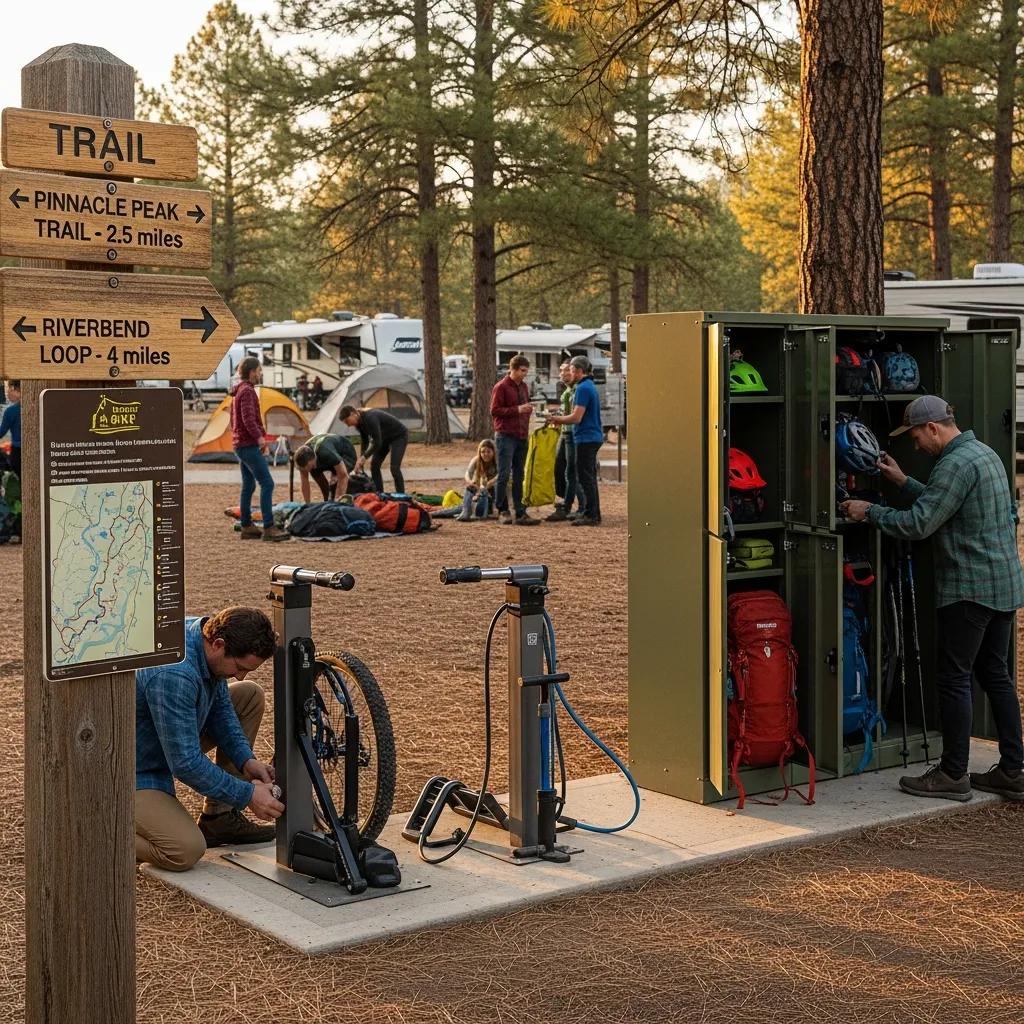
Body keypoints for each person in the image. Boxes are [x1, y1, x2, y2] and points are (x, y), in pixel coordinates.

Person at [840, 394, 1024, 803]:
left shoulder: (954, 463)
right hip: (1002, 585)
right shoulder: (983, 454)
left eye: (916, 436)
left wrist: (867, 511)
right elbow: (946, 504)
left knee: (954, 679)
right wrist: (903, 481)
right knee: (996, 675)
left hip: (969, 589)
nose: (915, 445)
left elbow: (921, 522)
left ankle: (953, 774)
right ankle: (1014, 770)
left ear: (933, 428)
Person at [135, 607, 285, 871]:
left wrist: (246, 760)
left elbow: (222, 708)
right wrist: (247, 794)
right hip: (133, 767)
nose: (240, 675)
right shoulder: (175, 674)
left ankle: (220, 818)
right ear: (218, 644)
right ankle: (94, 829)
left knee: (249, 695)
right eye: (239, 667)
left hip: (161, 739)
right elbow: (185, 763)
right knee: (184, 850)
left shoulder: (201, 636)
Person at [230, 358, 290, 542]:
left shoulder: (239, 390)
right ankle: (269, 527)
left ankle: (247, 526)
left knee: (249, 485)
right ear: (252, 371)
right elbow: (248, 419)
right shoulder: (247, 391)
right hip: (248, 444)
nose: (261, 373)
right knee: (267, 483)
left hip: (240, 444)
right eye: (259, 370)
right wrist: (260, 438)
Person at [546, 355, 602, 526]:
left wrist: (556, 419)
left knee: (585, 477)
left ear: (578, 371)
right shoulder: (588, 386)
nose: (568, 373)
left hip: (586, 437)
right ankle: (591, 512)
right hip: (590, 436)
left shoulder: (583, 389)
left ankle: (591, 515)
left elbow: (577, 417)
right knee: (588, 476)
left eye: (571, 370)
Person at [490, 353, 539, 525]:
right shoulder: (501, 387)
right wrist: (517, 410)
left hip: (521, 435)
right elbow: (495, 410)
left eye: (526, 371)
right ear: (514, 369)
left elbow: (522, 407)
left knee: (520, 474)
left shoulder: (524, 387)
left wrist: (527, 410)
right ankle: (502, 509)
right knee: (504, 474)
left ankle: (520, 511)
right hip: (505, 435)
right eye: (522, 371)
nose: (525, 374)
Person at [340, 405, 409, 493]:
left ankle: (401, 495)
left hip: (399, 436)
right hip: (384, 438)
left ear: (353, 414)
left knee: (394, 468)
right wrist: (361, 459)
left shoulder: (370, 417)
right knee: (374, 466)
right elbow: (365, 441)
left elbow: (377, 442)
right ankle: (379, 493)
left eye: (347, 421)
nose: (348, 425)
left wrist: (364, 457)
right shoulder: (359, 423)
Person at [546, 362, 578, 521]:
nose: (562, 373)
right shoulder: (567, 389)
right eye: (561, 370)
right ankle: (567, 500)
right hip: (565, 433)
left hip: (573, 434)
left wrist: (558, 418)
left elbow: (576, 414)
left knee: (571, 472)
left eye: (566, 370)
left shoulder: (577, 389)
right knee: (559, 468)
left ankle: (569, 506)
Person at [294, 432, 358, 502]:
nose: (307, 471)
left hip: (346, 454)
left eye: (308, 467)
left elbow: (343, 476)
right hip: (325, 455)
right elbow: (305, 483)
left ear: (312, 459)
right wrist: (307, 504)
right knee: (317, 477)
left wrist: (338, 501)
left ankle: (341, 503)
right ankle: (327, 502)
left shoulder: (326, 452)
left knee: (334, 483)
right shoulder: (302, 458)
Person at [456, 438, 498, 521]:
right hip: (477, 493)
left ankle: (473, 511)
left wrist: (489, 484)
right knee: (469, 489)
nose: (485, 454)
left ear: (493, 452)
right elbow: (468, 473)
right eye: (483, 452)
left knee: (490, 489)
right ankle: (466, 511)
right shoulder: (476, 460)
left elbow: (501, 476)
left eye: (488, 451)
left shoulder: (497, 461)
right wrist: (471, 482)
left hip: (488, 494)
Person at [0, 381, 21, 478]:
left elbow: (2, 432)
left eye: (9, 389)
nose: (7, 393)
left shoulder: (11, 411)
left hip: (18, 451)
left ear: (16, 390)